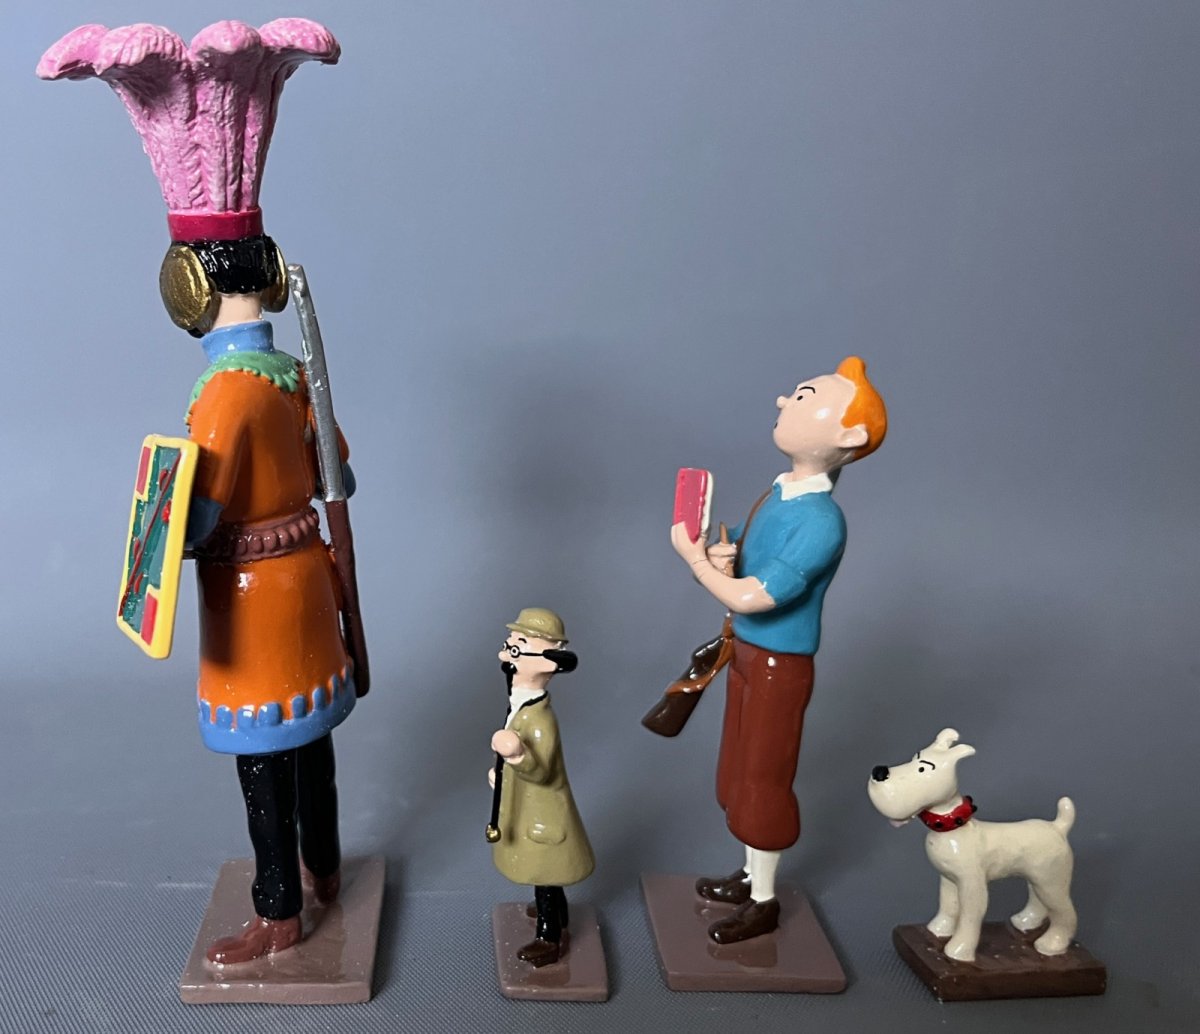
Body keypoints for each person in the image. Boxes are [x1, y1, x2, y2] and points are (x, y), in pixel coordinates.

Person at [38, 20, 361, 964]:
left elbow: (201, 512)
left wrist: (161, 535)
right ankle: (326, 867)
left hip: (253, 601)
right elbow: (341, 474)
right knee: (314, 743)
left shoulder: (223, 394)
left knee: (264, 760)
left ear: (190, 285)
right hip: (309, 579)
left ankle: (279, 909)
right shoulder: (293, 376)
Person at [669, 357, 887, 943]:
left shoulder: (822, 521)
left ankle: (763, 901)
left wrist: (696, 562)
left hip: (777, 664)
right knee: (738, 771)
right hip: (746, 655)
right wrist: (722, 548)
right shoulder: (780, 493)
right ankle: (749, 874)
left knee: (764, 777)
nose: (783, 400)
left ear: (849, 437)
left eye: (804, 396)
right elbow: (747, 550)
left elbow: (755, 596)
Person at [489, 608, 594, 967]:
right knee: (546, 873)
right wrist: (503, 773)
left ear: (549, 662)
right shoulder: (522, 703)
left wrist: (516, 754)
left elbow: (541, 772)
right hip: (529, 804)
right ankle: (557, 915)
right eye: (510, 644)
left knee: (545, 872)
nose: (507, 651)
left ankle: (549, 936)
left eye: (518, 646)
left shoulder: (539, 720)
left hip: (542, 812)